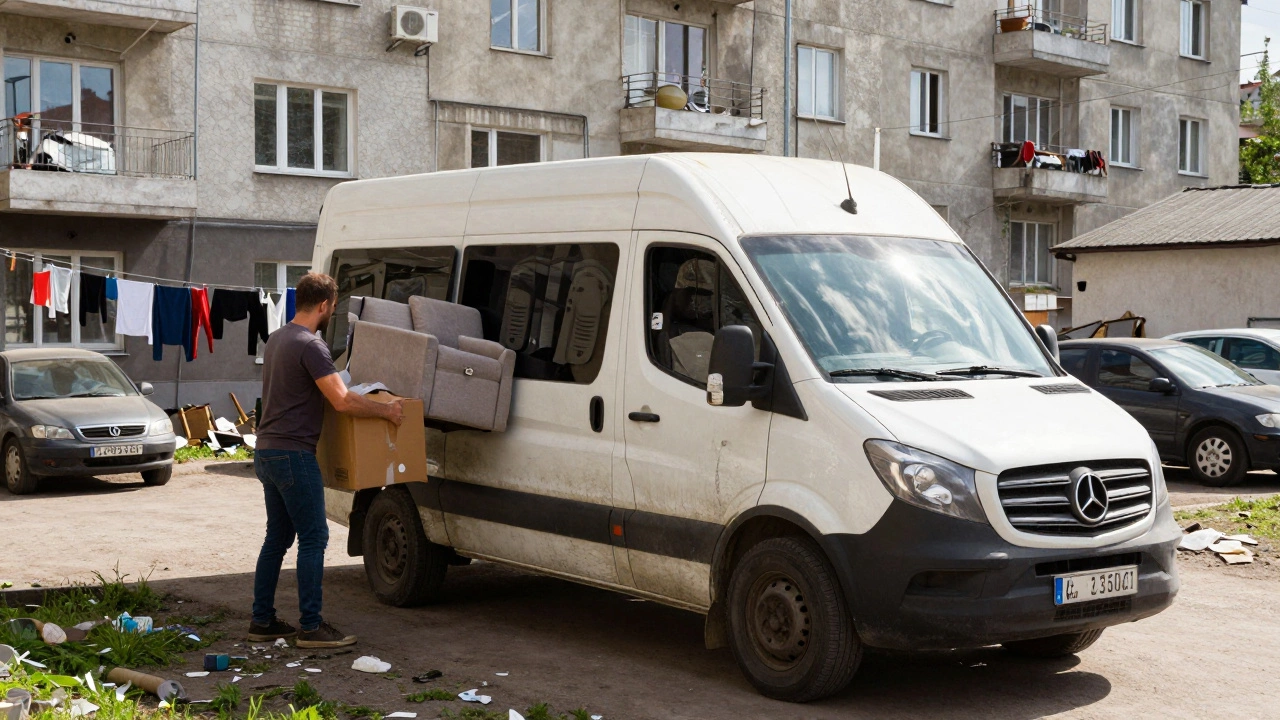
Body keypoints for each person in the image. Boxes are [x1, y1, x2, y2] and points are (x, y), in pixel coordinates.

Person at [248, 273, 404, 647]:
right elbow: (342, 400)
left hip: (267, 450)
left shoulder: (277, 339)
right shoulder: (311, 345)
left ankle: (261, 622)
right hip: (293, 454)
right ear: (324, 305)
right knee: (314, 537)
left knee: (277, 538)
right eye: (333, 306)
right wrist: (387, 411)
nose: (331, 312)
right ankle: (311, 626)